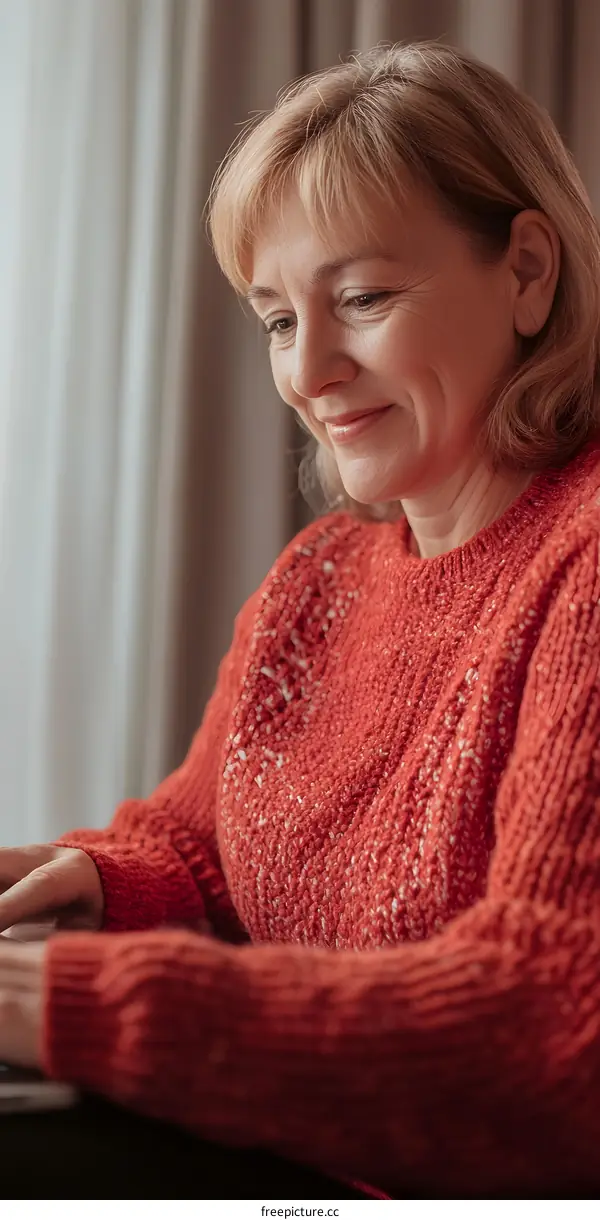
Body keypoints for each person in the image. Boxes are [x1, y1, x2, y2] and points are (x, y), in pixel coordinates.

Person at [1, 39, 600, 1199]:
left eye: (363, 298)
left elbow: (547, 1036)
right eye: (278, 318)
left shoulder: (584, 563)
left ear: (529, 269)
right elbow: (205, 845)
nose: (310, 369)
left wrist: (62, 999)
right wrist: (85, 871)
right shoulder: (322, 574)